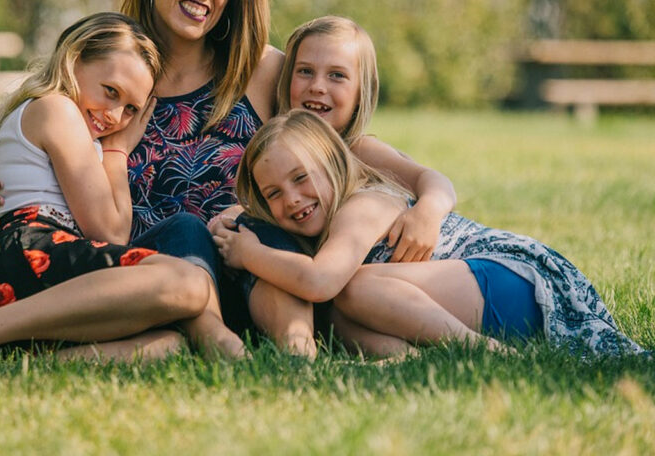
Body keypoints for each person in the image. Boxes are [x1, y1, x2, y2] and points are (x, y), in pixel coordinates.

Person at [0, 0, 283, 338]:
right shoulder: (111, 72)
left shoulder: (259, 71)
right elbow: (44, 218)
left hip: (243, 280)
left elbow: (331, 158)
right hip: (130, 292)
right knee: (169, 303)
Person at [0, 12, 240, 363]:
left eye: (130, 109)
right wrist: (117, 152)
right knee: (188, 283)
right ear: (74, 61)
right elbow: (109, 233)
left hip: (30, 274)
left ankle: (19, 361)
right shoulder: (56, 109)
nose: (114, 115)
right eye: (110, 91)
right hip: (30, 255)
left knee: (168, 344)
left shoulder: (63, 122)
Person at [213, 110, 647, 358]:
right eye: (274, 193)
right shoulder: (322, 221)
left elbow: (320, 280)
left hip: (517, 283)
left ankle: (483, 351)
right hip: (474, 297)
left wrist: (248, 253)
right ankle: (410, 360)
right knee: (339, 318)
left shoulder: (363, 204)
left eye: (301, 177)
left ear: (333, 163)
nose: (292, 199)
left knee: (353, 288)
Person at [226, 16, 457, 353]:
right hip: (369, 292)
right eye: (305, 71)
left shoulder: (360, 150)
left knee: (349, 294)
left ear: (361, 91)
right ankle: (403, 355)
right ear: (286, 81)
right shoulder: (282, 153)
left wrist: (428, 212)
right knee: (336, 316)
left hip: (422, 276)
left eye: (336, 75)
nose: (318, 86)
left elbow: (433, 179)